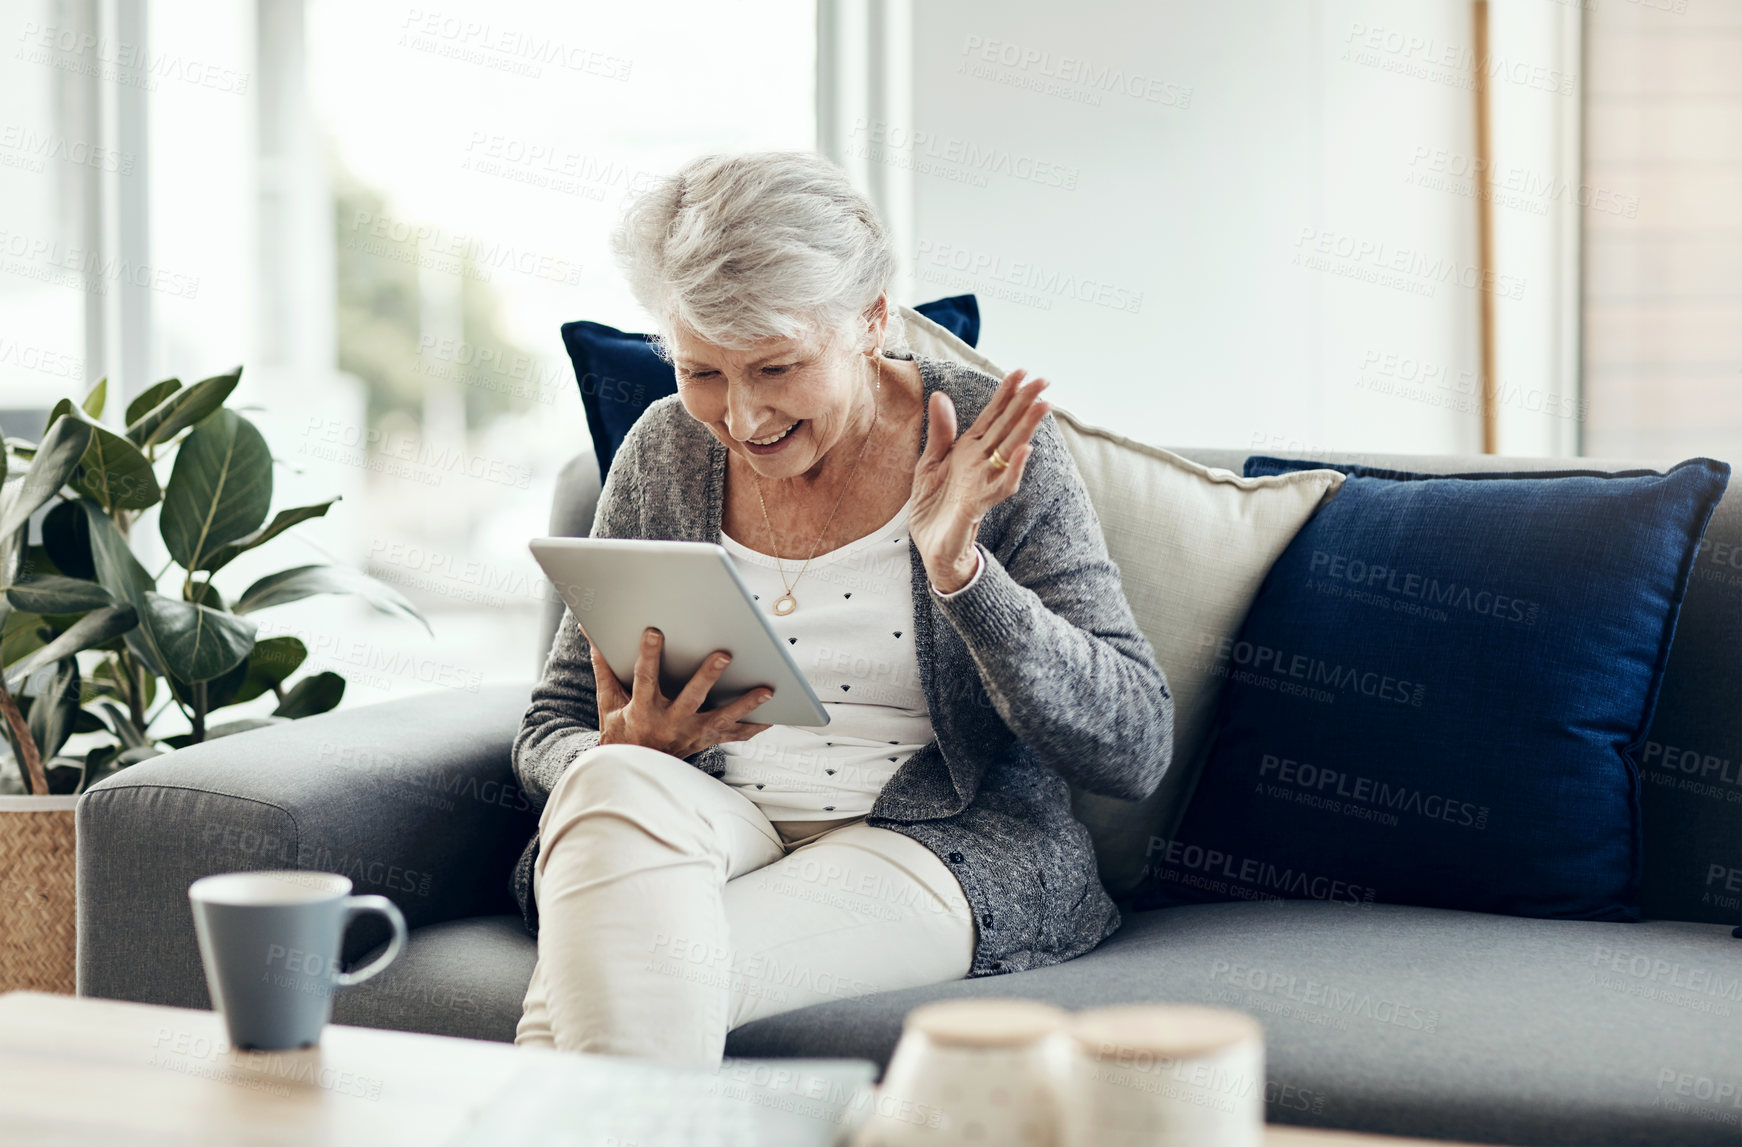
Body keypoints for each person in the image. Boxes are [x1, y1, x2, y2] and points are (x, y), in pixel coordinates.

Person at [511, 149, 1173, 1064]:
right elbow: (549, 725)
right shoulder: (663, 450)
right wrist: (624, 749)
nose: (742, 419)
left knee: (625, 971)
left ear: (869, 320)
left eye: (775, 368)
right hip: (708, 820)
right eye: (702, 372)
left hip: (922, 844)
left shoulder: (987, 444)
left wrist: (965, 575)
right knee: (607, 784)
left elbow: (1132, 744)